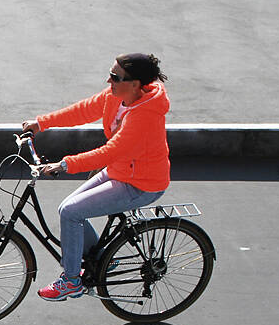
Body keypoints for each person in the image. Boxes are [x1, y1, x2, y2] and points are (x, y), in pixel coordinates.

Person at [22, 53, 171, 301]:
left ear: (135, 84)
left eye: (115, 77)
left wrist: (64, 164)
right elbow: (85, 109)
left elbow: (109, 152)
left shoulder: (145, 115)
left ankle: (71, 281)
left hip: (142, 184)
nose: (108, 80)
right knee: (67, 209)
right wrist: (41, 123)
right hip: (120, 171)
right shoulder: (119, 97)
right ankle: (101, 260)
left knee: (71, 211)